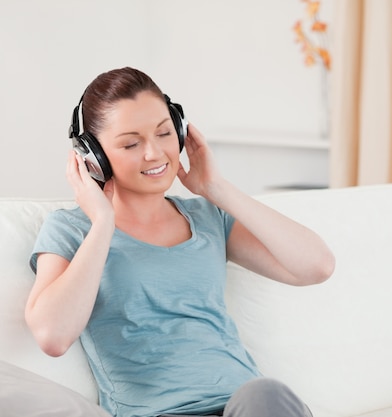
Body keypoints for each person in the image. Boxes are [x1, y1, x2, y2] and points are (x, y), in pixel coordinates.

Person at [25, 67, 335, 417]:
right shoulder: (74, 230)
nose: (155, 153)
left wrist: (216, 189)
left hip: (250, 406)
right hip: (158, 412)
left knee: (266, 393)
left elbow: (317, 266)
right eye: (131, 143)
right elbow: (53, 336)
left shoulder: (209, 217)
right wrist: (103, 224)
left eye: (164, 133)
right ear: (93, 156)